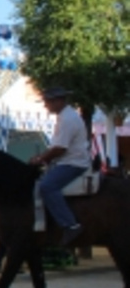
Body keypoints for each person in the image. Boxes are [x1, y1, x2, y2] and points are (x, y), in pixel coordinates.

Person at [29, 85, 90, 248]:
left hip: (73, 163)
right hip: (66, 160)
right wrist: (42, 157)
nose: (45, 105)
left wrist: (41, 159)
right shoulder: (65, 117)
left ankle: (70, 225)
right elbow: (56, 147)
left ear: (58, 101)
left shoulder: (68, 119)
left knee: (47, 187)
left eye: (48, 102)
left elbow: (60, 148)